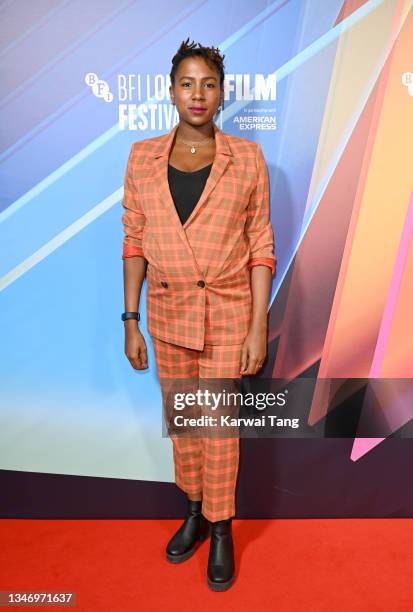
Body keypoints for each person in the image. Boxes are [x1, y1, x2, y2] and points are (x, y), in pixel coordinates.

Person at [121, 38, 276, 592]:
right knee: (184, 423)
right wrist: (130, 319)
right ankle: (192, 510)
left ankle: (222, 528)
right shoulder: (141, 156)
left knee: (219, 428)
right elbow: (134, 239)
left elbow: (260, 243)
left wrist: (258, 324)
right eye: (187, 83)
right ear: (170, 91)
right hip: (166, 312)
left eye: (209, 84)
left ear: (222, 94)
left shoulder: (247, 158)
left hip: (229, 310)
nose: (198, 94)